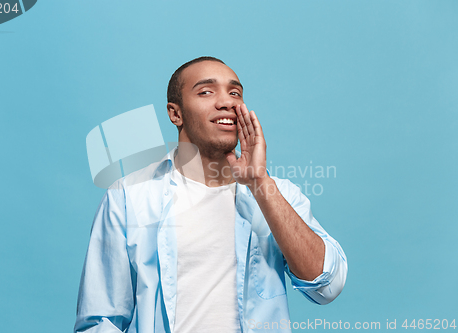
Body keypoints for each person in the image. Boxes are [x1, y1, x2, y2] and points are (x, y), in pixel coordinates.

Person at [74, 56, 347, 333]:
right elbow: (100, 321)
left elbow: (326, 286)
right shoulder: (129, 196)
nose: (226, 101)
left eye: (235, 92)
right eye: (206, 91)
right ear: (175, 113)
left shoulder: (277, 194)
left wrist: (259, 183)